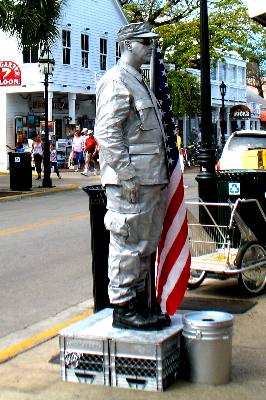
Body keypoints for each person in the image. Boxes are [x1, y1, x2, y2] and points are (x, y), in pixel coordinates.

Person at [94, 22, 171, 331]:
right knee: (127, 243)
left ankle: (137, 303)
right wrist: (127, 175)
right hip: (132, 182)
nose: (150, 46)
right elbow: (107, 133)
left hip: (149, 179)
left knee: (144, 244)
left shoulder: (137, 81)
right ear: (127, 44)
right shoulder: (115, 81)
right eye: (144, 41)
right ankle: (124, 307)